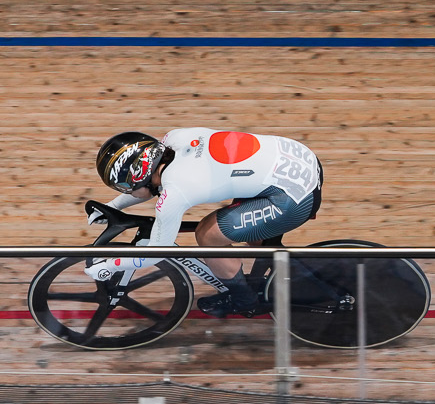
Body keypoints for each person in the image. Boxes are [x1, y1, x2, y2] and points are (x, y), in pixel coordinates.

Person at [86, 128, 323, 318]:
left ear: (139, 176)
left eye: (124, 187)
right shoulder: (174, 138)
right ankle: (284, 273)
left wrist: (113, 265)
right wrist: (114, 206)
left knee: (208, 235)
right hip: (297, 158)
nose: (126, 192)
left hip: (293, 198)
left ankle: (244, 301)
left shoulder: (177, 190)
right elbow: (145, 186)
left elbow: (156, 253)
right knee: (252, 234)